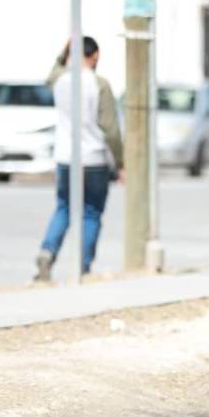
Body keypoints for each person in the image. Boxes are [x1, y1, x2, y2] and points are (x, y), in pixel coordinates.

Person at [33, 36, 124, 281]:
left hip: (65, 157)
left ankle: (47, 251)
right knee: (91, 213)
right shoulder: (99, 84)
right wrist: (121, 162)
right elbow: (111, 129)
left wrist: (64, 52)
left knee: (63, 208)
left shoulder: (60, 81)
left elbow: (52, 73)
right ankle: (82, 267)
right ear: (94, 56)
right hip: (94, 159)